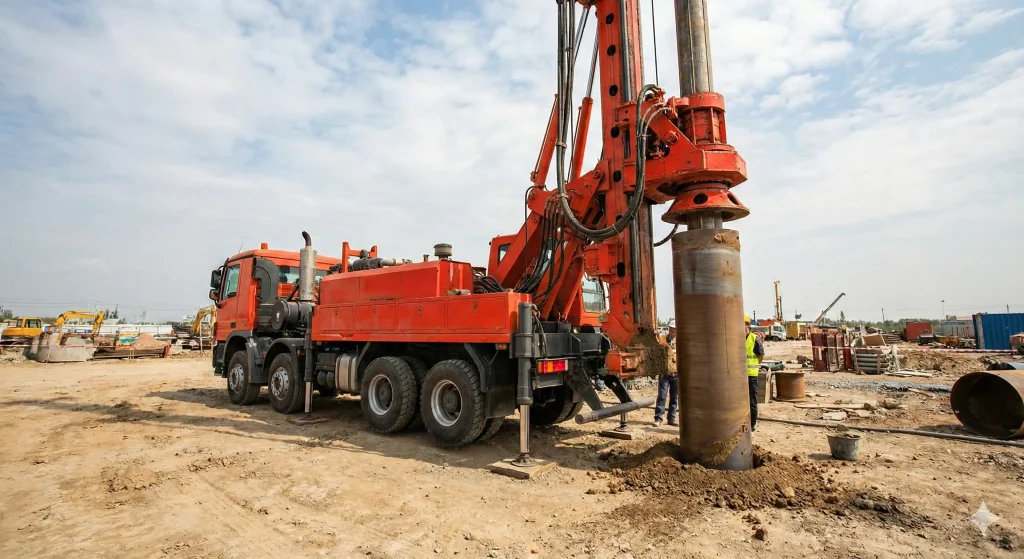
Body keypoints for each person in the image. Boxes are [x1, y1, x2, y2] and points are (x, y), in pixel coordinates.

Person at [653, 326, 678, 427]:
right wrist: (655, 335)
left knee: (674, 398)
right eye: (672, 330)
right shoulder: (663, 338)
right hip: (665, 373)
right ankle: (658, 418)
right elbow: (656, 344)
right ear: (669, 329)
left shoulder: (679, 341)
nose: (674, 332)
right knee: (662, 396)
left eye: (675, 330)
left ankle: (671, 418)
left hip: (676, 373)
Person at [745, 314, 765, 432]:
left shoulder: (754, 338)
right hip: (739, 376)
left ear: (747, 325)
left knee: (752, 400)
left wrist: (754, 366)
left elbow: (761, 355)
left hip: (751, 374)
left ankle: (752, 426)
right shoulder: (736, 338)